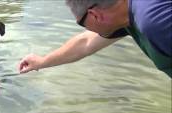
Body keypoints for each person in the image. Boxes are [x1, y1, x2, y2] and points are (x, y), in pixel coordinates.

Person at [18, 0, 172, 78]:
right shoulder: (127, 16)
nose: (86, 29)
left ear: (95, 15)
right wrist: (42, 61)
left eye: (81, 23)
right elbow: (85, 43)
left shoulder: (156, 22)